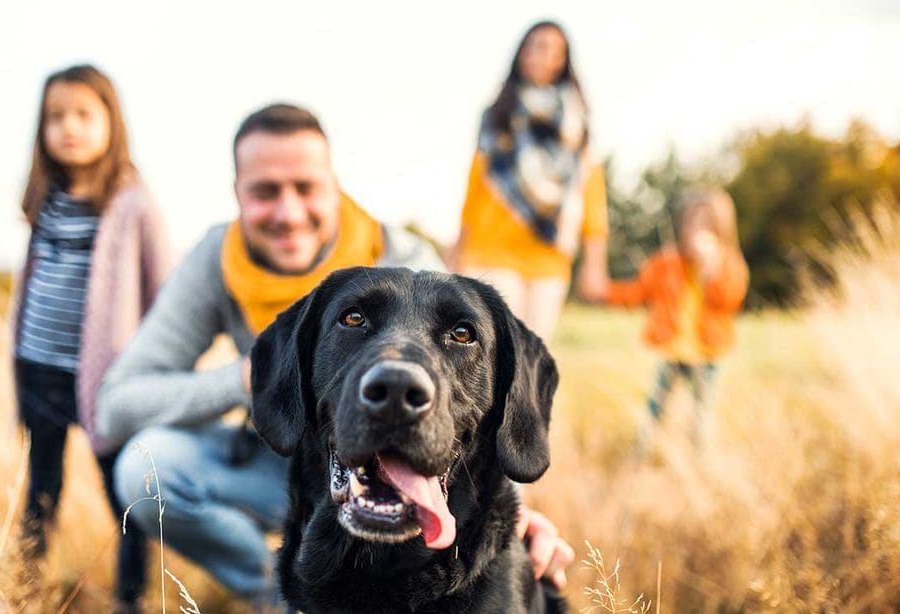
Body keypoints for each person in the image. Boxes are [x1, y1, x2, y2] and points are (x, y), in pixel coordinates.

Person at [96, 104, 575, 610]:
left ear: (334, 186)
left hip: (417, 458)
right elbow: (117, 404)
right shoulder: (217, 260)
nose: (288, 212)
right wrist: (257, 378)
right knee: (146, 465)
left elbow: (472, 396)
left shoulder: (407, 260)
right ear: (237, 194)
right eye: (265, 191)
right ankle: (278, 593)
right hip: (289, 450)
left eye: (305, 188)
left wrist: (514, 516)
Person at [11, 64, 173, 612]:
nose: (69, 127)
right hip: (38, 368)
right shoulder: (45, 198)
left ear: (111, 121)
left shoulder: (133, 201)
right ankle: (26, 586)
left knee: (125, 492)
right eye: (56, 117)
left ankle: (132, 597)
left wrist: (155, 369)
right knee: (41, 490)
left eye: (84, 114)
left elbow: (166, 294)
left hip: (108, 381)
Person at [452, 20, 609, 342]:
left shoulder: (578, 124)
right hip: (491, 249)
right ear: (521, 53)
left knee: (532, 355)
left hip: (549, 257)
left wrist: (595, 261)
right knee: (492, 348)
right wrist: (458, 248)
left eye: (552, 49)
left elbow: (591, 193)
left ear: (563, 61)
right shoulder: (498, 114)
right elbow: (476, 186)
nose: (540, 55)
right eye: (534, 45)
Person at [603, 188, 749, 446]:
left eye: (707, 223)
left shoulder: (729, 265)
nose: (698, 230)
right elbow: (638, 292)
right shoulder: (666, 263)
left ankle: (699, 456)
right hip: (673, 350)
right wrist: (605, 291)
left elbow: (729, 300)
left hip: (707, 354)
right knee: (655, 406)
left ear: (722, 228)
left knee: (702, 411)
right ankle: (641, 450)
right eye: (693, 222)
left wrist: (711, 271)